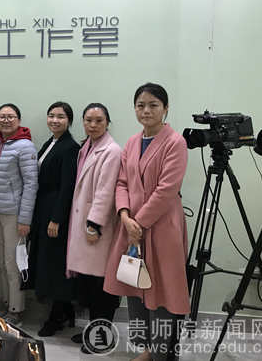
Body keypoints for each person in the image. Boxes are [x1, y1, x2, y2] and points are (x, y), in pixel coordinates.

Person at [103, 83, 189, 361]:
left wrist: (138, 223)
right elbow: (121, 183)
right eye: (141, 105)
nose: (146, 111)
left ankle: (161, 351)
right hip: (131, 226)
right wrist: (124, 216)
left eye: (153, 105)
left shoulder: (175, 142)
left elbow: (166, 190)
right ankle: (146, 347)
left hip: (161, 226)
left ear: (166, 108)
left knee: (162, 289)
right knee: (135, 284)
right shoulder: (131, 142)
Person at [66, 103, 121, 350]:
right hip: (84, 225)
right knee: (89, 285)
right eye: (88, 120)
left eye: (99, 120)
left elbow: (105, 192)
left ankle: (101, 337)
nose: (93, 125)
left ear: (107, 123)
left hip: (97, 228)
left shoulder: (112, 151)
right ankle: (92, 330)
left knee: (102, 288)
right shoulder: (87, 147)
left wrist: (94, 224)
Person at [27, 102, 79, 337]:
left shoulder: (70, 147)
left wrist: (56, 219)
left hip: (56, 214)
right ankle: (64, 310)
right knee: (45, 262)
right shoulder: (51, 142)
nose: (55, 120)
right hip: (43, 209)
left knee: (55, 265)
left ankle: (57, 316)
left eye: (60, 116)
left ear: (69, 121)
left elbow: (67, 186)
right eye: (51, 115)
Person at [0, 103, 38, 326]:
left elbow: (31, 184)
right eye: (2, 116)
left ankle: (16, 310)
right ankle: (7, 303)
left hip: (14, 216)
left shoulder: (26, 147)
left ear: (19, 120)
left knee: (13, 263)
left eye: (10, 116)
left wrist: (25, 220)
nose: (6, 120)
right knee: (0, 261)